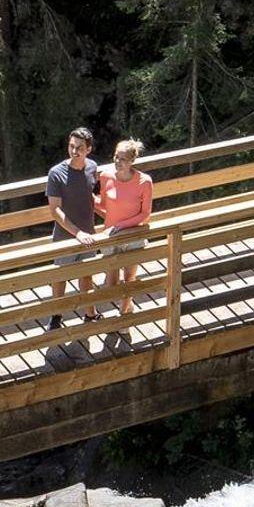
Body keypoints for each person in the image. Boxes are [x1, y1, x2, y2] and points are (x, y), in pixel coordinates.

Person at [44, 126, 102, 361]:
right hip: (65, 235)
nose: (74, 151)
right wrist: (76, 233)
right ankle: (56, 315)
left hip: (88, 232)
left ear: (88, 149)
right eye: (71, 146)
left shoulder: (93, 167)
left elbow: (94, 195)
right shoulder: (56, 173)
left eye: (79, 148)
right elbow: (55, 211)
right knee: (61, 277)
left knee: (86, 275)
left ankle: (90, 313)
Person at [96, 138, 154, 355]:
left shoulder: (144, 181)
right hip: (110, 235)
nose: (117, 162)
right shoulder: (105, 176)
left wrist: (121, 225)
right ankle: (127, 306)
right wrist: (82, 199)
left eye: (122, 159)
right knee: (111, 283)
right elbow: (103, 204)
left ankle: (124, 315)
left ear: (132, 161)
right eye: (115, 157)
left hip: (132, 234)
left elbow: (145, 214)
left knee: (129, 278)